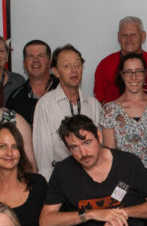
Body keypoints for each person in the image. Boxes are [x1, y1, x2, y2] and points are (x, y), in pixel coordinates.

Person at [32, 45, 103, 179]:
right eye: (66, 66)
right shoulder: (46, 104)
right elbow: (43, 155)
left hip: (92, 177)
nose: (74, 70)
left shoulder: (93, 104)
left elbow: (101, 146)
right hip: (60, 177)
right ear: (56, 71)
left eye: (77, 65)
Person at [101, 52, 147, 171]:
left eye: (138, 71)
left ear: (145, 73)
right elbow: (109, 155)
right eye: (128, 72)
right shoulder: (109, 110)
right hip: (123, 179)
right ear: (122, 75)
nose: (134, 77)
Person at [94, 16, 147, 103]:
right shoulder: (105, 65)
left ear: (143, 36)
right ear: (118, 37)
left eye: (133, 35)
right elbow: (99, 101)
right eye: (124, 35)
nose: (128, 39)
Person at [6, 39, 58, 125]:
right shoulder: (15, 98)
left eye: (41, 56)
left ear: (50, 62)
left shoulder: (64, 90)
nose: (35, 60)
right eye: (30, 56)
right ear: (24, 64)